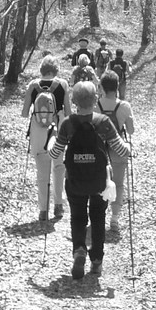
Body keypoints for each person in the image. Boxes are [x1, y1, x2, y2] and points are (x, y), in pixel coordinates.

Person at [50, 82, 131, 279]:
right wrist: (128, 146)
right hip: (99, 182)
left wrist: (52, 140)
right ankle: (96, 261)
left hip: (75, 180)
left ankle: (79, 249)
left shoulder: (67, 124)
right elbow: (121, 150)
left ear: (74, 101)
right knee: (98, 217)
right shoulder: (103, 122)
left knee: (77, 216)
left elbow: (55, 153)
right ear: (95, 99)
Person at [20, 56, 70, 221]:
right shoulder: (62, 84)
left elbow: (24, 113)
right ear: (56, 70)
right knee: (58, 167)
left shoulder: (33, 85)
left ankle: (43, 210)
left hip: (37, 132)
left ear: (41, 70)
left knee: (42, 172)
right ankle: (58, 205)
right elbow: (69, 112)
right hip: (58, 131)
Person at [96, 70, 135, 232]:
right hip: (118, 148)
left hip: (99, 149)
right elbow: (131, 131)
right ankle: (115, 218)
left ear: (102, 87)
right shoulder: (124, 106)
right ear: (117, 86)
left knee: (99, 181)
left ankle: (98, 214)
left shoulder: (95, 105)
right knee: (118, 183)